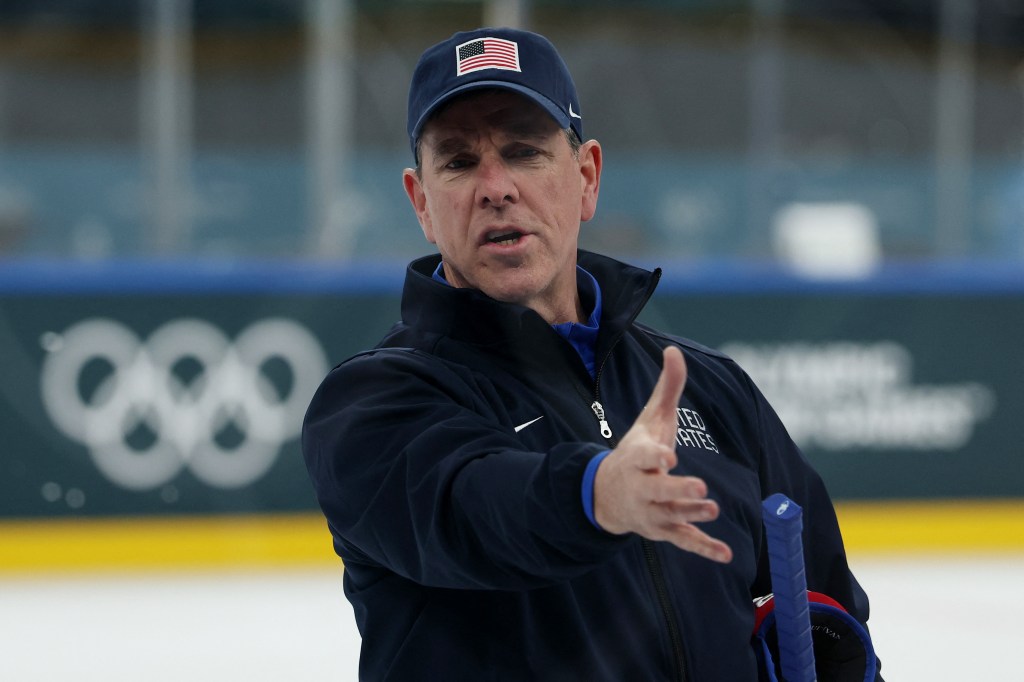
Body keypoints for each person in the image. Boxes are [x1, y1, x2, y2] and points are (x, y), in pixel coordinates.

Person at [302, 27, 881, 681]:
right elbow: (477, 507)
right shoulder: (373, 404)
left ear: (587, 178)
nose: (495, 186)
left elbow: (828, 607)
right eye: (460, 162)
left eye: (524, 152)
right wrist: (596, 493)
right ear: (421, 203)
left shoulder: (713, 390)